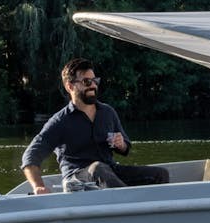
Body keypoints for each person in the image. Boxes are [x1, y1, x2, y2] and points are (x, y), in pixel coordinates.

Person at [21, 58, 170, 193]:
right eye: (86, 81)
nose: (93, 85)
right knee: (98, 168)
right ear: (70, 86)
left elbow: (125, 148)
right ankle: (129, 204)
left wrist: (121, 144)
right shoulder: (60, 121)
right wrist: (38, 186)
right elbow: (30, 156)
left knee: (160, 174)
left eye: (95, 80)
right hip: (76, 180)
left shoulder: (107, 112)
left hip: (109, 172)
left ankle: (151, 211)